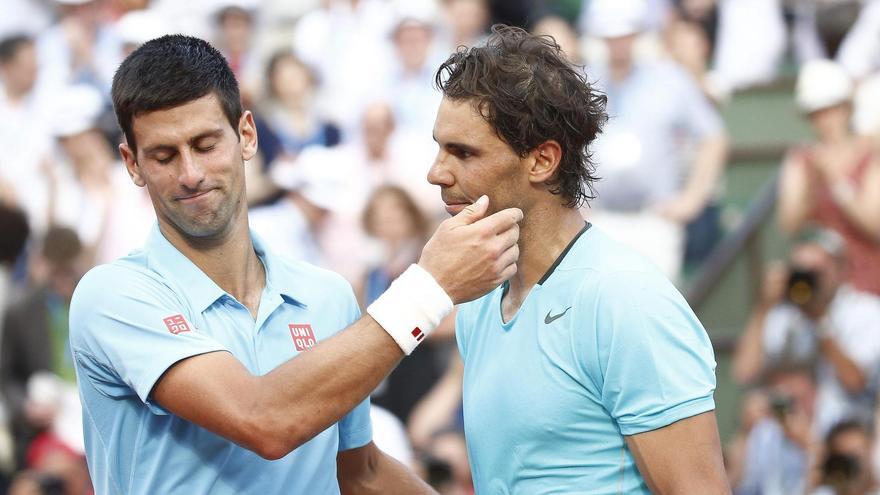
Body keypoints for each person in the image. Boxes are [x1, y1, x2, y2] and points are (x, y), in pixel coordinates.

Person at [68, 34, 522, 494]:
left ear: (247, 134)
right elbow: (263, 421)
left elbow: (360, 472)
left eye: (205, 145)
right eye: (164, 156)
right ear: (131, 163)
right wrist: (429, 287)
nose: (190, 174)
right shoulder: (113, 294)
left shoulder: (325, 295)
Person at [428, 25, 728, 493]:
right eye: (439, 148)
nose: (436, 173)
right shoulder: (479, 301)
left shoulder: (625, 299)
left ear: (542, 160)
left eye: (462, 152)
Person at [731, 231, 880, 436]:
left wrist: (818, 320)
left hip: (845, 439)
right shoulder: (785, 313)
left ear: (842, 269)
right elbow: (744, 373)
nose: (808, 279)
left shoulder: (865, 311)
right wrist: (763, 308)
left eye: (816, 272)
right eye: (801, 271)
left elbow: (855, 381)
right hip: (792, 438)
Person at [778, 59, 880, 296]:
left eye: (832, 109)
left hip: (868, 287)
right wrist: (812, 183)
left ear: (847, 108)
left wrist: (836, 181)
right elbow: (790, 223)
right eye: (816, 113)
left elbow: (874, 224)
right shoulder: (802, 160)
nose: (825, 120)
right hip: (821, 290)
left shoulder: (871, 157)